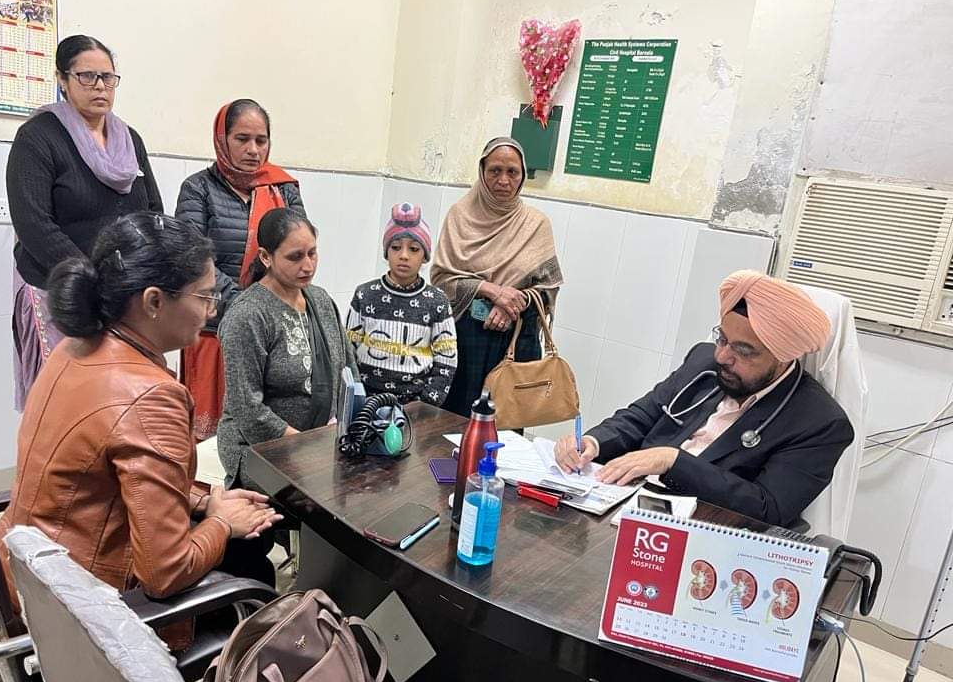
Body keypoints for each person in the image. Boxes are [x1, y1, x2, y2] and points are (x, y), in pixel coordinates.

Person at [0, 213, 282, 650]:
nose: (212, 310)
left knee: (253, 541)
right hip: (83, 615)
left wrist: (206, 501)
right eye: (205, 296)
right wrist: (222, 522)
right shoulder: (150, 395)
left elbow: (104, 480)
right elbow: (165, 574)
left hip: (25, 579)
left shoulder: (73, 347)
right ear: (153, 301)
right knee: (256, 576)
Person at [553, 271, 854, 527]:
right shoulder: (703, 361)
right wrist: (593, 442)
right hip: (624, 505)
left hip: (707, 534)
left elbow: (769, 508)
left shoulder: (819, 422)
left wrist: (673, 461)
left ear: (783, 357)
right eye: (722, 339)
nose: (722, 356)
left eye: (743, 351)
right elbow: (641, 416)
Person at [7, 34, 163, 410]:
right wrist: (92, 279)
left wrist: (146, 271)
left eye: (107, 77)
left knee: (118, 401)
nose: (100, 86)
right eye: (87, 76)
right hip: (62, 290)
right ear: (62, 79)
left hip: (123, 293)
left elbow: (152, 211)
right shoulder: (38, 137)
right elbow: (34, 224)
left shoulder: (130, 140)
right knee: (67, 402)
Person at [175, 99, 305, 439]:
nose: (253, 150)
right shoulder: (198, 189)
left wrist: (264, 312)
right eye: (242, 139)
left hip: (271, 333)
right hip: (213, 329)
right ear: (223, 139)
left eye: (261, 140)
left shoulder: (284, 189)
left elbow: (296, 251)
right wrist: (247, 307)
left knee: (264, 433)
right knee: (212, 439)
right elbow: (194, 258)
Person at [218, 207, 356, 489]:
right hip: (260, 450)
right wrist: (305, 447)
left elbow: (348, 371)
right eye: (295, 257)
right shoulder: (248, 315)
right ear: (265, 257)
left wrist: (346, 425)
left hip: (321, 441)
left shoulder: (321, 300)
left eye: (312, 253)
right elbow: (247, 408)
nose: (308, 266)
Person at [431, 137, 563, 417]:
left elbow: (548, 287)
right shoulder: (459, 216)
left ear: (522, 175)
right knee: (454, 421)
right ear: (482, 171)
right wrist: (491, 291)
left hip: (516, 340)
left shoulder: (536, 224)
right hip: (465, 339)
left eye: (512, 172)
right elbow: (441, 280)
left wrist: (512, 304)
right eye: (495, 171)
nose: (503, 180)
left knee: (506, 425)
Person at [345, 202, 457, 406]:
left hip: (414, 403)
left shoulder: (437, 302)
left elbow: (446, 359)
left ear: (425, 256)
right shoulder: (365, 294)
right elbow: (347, 351)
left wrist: (425, 405)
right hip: (366, 400)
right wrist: (356, 397)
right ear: (386, 252)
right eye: (395, 247)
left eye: (414, 249)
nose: (404, 255)